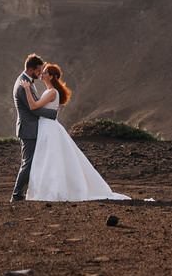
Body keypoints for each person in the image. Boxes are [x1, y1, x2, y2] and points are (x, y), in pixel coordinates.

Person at [19, 63, 130, 201]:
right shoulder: (50, 91)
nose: (42, 73)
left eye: (45, 72)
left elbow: (34, 106)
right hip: (46, 126)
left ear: (52, 77)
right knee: (45, 158)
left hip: (47, 127)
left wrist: (27, 89)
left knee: (49, 159)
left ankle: (50, 191)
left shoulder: (52, 92)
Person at [11, 54, 57, 202]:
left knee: (31, 162)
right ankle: (17, 196)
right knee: (27, 163)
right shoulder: (22, 84)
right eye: (38, 71)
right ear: (30, 69)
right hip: (28, 129)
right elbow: (33, 109)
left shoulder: (28, 81)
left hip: (32, 128)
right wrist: (52, 114)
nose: (40, 73)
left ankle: (23, 194)